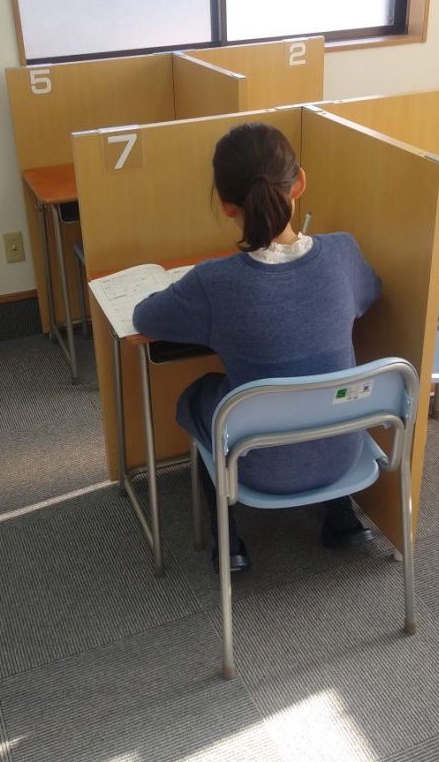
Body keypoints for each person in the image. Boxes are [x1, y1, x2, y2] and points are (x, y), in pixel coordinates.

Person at [133, 122, 381, 572]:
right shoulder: (343, 253)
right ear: (299, 183)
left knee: (200, 395)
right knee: (318, 382)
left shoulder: (214, 282)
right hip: (345, 454)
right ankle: (341, 518)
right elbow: (369, 293)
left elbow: (144, 319)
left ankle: (229, 543)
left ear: (225, 204)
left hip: (259, 470)